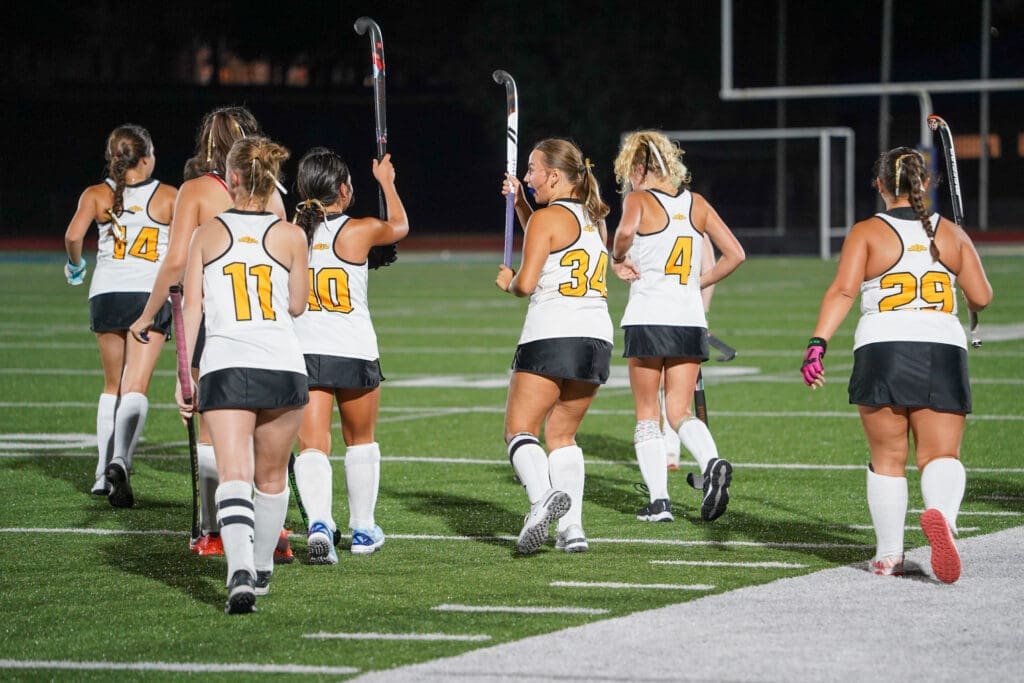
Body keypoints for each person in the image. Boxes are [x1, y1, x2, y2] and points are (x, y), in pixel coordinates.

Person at [801, 146, 992, 584]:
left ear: (880, 185)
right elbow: (981, 298)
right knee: (940, 454)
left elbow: (844, 292)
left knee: (887, 458)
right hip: (942, 347)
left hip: (882, 347)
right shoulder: (954, 235)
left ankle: (889, 555)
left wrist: (817, 343)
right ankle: (941, 515)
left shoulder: (867, 231)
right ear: (926, 183)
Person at [130, 106, 291, 559]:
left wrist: (147, 316)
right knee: (266, 432)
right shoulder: (274, 193)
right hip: (270, 325)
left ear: (207, 144)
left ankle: (214, 528)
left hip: (216, 320)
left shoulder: (197, 190)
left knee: (212, 429)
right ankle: (270, 530)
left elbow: (177, 261)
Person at [176, 136, 309, 614]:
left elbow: (192, 309)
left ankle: (238, 572)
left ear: (231, 178)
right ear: (270, 181)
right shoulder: (292, 235)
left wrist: (182, 376)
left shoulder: (206, 234)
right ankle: (261, 569)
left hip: (226, 365)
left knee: (234, 474)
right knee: (271, 478)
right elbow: (296, 305)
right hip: (283, 364)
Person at [610, 130, 745, 524]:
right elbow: (735, 254)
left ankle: (659, 503)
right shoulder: (697, 203)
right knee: (680, 411)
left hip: (649, 317)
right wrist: (696, 284)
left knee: (647, 415)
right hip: (689, 320)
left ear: (638, 168)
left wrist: (618, 257)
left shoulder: (637, 199)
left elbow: (623, 234)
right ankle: (711, 460)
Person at [290, 147, 410, 563]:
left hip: (305, 350)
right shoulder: (358, 229)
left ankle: (320, 523)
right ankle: (362, 529)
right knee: (360, 442)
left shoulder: (291, 231)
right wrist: (387, 182)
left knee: (312, 446)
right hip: (355, 351)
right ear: (343, 190)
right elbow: (400, 225)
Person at [495, 138, 613, 555]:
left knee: (519, 430)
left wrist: (508, 282)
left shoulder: (548, 219)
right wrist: (521, 207)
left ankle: (542, 496)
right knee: (563, 436)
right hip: (595, 338)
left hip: (551, 332)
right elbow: (555, 237)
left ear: (555, 175)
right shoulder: (596, 218)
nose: (527, 178)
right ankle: (572, 529)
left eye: (532, 170)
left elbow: (526, 284)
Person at [63, 124, 177, 507]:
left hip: (107, 293)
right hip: (148, 296)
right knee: (135, 386)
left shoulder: (96, 194)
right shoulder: (168, 196)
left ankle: (101, 474)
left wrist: (76, 266)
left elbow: (73, 237)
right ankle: (120, 461)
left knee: (112, 385)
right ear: (145, 159)